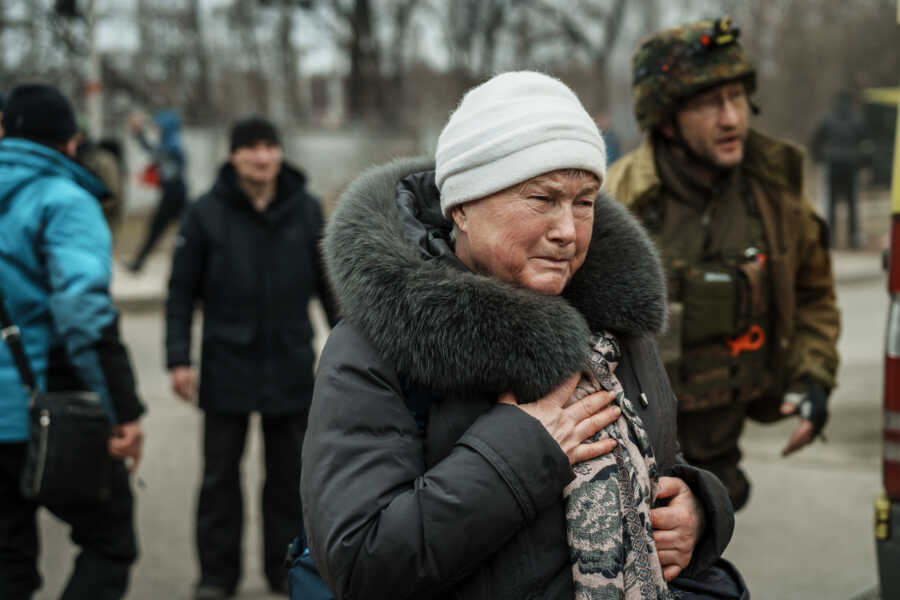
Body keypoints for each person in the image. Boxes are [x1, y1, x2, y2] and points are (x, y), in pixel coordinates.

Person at [301, 71, 740, 599]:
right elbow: (360, 563)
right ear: (462, 206)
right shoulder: (375, 348)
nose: (568, 231)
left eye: (584, 202)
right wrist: (522, 450)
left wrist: (699, 509)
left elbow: (660, 461)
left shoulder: (612, 326)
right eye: (542, 198)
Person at [605, 17, 841, 510]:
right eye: (710, 104)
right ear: (667, 120)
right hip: (632, 465)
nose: (732, 118)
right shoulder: (617, 202)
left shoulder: (774, 193)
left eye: (737, 98)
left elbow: (813, 295)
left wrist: (812, 380)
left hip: (721, 456)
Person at [166, 116, 339, 599]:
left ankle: (282, 570)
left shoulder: (305, 209)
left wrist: (349, 345)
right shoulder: (204, 213)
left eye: (269, 146)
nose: (262, 156)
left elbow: (328, 287)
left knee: (288, 479)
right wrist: (179, 358)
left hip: (289, 364)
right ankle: (216, 576)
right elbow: (181, 292)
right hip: (226, 365)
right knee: (220, 478)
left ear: (279, 153)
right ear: (233, 156)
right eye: (251, 148)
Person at [0, 84, 145, 599]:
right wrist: (122, 412)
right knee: (110, 542)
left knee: (7, 565)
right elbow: (83, 315)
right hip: (46, 410)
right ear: (72, 141)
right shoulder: (66, 200)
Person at [125, 109, 188, 273]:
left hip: (175, 195)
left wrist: (140, 131)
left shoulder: (172, 145)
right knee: (161, 229)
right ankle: (138, 263)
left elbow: (157, 155)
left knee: (174, 230)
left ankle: (139, 263)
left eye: (160, 127)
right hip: (173, 193)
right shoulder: (170, 143)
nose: (157, 130)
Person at [811, 90, 870, 249]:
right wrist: (865, 163)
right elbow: (866, 142)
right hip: (852, 164)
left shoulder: (828, 118)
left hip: (833, 163)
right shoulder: (857, 118)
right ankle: (854, 239)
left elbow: (816, 139)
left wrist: (818, 158)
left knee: (831, 203)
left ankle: (830, 239)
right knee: (852, 204)